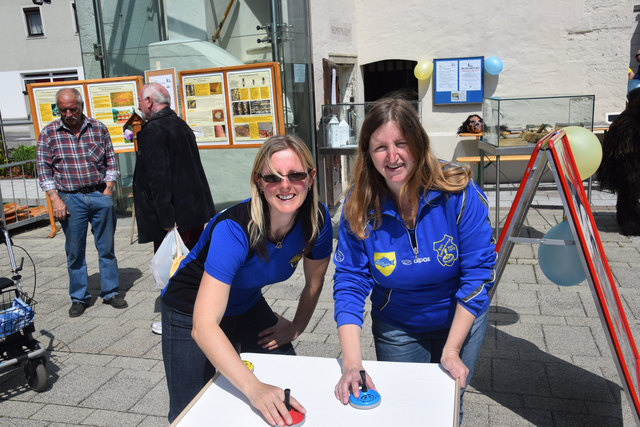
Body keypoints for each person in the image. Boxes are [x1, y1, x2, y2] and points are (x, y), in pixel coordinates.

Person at [332, 98, 496, 420]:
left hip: (460, 321)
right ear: (367, 153)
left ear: (419, 144)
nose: (392, 157)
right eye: (380, 147)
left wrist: (451, 350)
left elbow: (478, 273)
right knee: (405, 410)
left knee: (448, 406)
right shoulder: (358, 204)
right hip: (398, 327)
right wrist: (352, 365)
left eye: (401, 144)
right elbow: (350, 281)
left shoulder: (457, 191)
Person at [161, 135, 333, 424]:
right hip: (189, 309)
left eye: (296, 175)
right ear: (258, 181)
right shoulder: (234, 228)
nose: (286, 185)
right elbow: (204, 327)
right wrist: (254, 388)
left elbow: (314, 283)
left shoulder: (317, 220)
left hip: (245, 302)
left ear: (311, 177)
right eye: (273, 178)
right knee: (190, 410)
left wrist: (296, 327)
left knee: (289, 377)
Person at [132, 83, 216, 335]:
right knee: (191, 262)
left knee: (171, 267)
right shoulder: (180, 124)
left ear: (149, 101)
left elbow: (158, 178)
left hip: (174, 217)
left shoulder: (153, 130)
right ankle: (200, 311)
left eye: (140, 100)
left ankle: (177, 318)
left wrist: (166, 218)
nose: (138, 105)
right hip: (193, 211)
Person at [36, 88, 126, 317]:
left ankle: (111, 292)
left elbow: (111, 162)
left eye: (72, 109)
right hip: (69, 198)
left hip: (98, 195)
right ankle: (79, 297)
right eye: (63, 109)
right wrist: (55, 199)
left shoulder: (98, 128)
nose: (68, 114)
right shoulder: (49, 133)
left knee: (106, 248)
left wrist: (108, 190)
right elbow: (43, 171)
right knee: (75, 251)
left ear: (81, 106)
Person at [598, 87, 640, 236]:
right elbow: (626, 150)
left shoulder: (625, 119)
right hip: (625, 169)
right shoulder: (627, 122)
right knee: (628, 196)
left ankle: (631, 220)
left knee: (628, 197)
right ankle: (629, 224)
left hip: (629, 168)